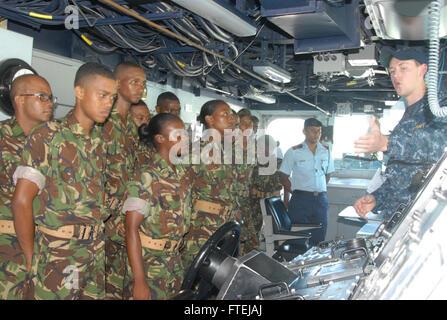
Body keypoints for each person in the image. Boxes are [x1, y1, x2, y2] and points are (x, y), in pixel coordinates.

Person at [11, 62, 116, 300]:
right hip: (58, 255)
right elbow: (21, 202)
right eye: (102, 95)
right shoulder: (48, 135)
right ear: (79, 92)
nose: (108, 103)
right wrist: (30, 258)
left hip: (94, 253)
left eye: (112, 97)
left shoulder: (97, 144)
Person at [353, 46, 447, 219]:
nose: (396, 75)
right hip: (400, 219)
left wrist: (387, 143)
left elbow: (439, 147)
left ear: (423, 69)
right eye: (392, 71)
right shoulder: (407, 114)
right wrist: (377, 198)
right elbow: (402, 171)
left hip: (428, 219)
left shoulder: (440, 106)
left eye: (404, 68)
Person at [123, 113, 191, 300]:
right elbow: (131, 229)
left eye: (185, 134)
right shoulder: (146, 176)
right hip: (149, 265)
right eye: (178, 135)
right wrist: (139, 281)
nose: (185, 139)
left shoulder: (181, 173)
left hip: (173, 263)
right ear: (160, 139)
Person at [0, 74, 54, 300]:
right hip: (7, 247)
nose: (50, 104)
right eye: (42, 97)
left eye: (51, 98)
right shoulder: (3, 137)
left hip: (45, 244)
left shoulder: (54, 142)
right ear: (20, 100)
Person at [103, 61, 146, 300]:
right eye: (135, 81)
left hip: (124, 219)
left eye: (143, 83)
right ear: (117, 84)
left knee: (121, 284)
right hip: (105, 220)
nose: (140, 88)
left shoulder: (130, 126)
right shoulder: (103, 121)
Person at [182, 100, 238, 271]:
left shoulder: (227, 151)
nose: (231, 118)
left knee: (219, 279)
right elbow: (184, 191)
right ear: (210, 120)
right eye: (225, 114)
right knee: (196, 277)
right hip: (201, 227)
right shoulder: (195, 151)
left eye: (231, 114)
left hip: (225, 226)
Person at [279, 118, 334, 246]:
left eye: (318, 131)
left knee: (319, 237)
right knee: (298, 239)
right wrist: (296, 191)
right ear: (304, 131)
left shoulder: (326, 151)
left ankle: (314, 264)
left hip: (320, 200)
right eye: (312, 130)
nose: (316, 134)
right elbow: (283, 176)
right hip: (300, 200)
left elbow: (328, 174)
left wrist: (317, 189)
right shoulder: (294, 151)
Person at [234, 108, 256, 255]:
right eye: (243, 124)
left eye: (250, 124)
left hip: (247, 202)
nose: (247, 127)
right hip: (233, 201)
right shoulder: (228, 147)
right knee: (236, 241)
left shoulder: (253, 148)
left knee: (251, 242)